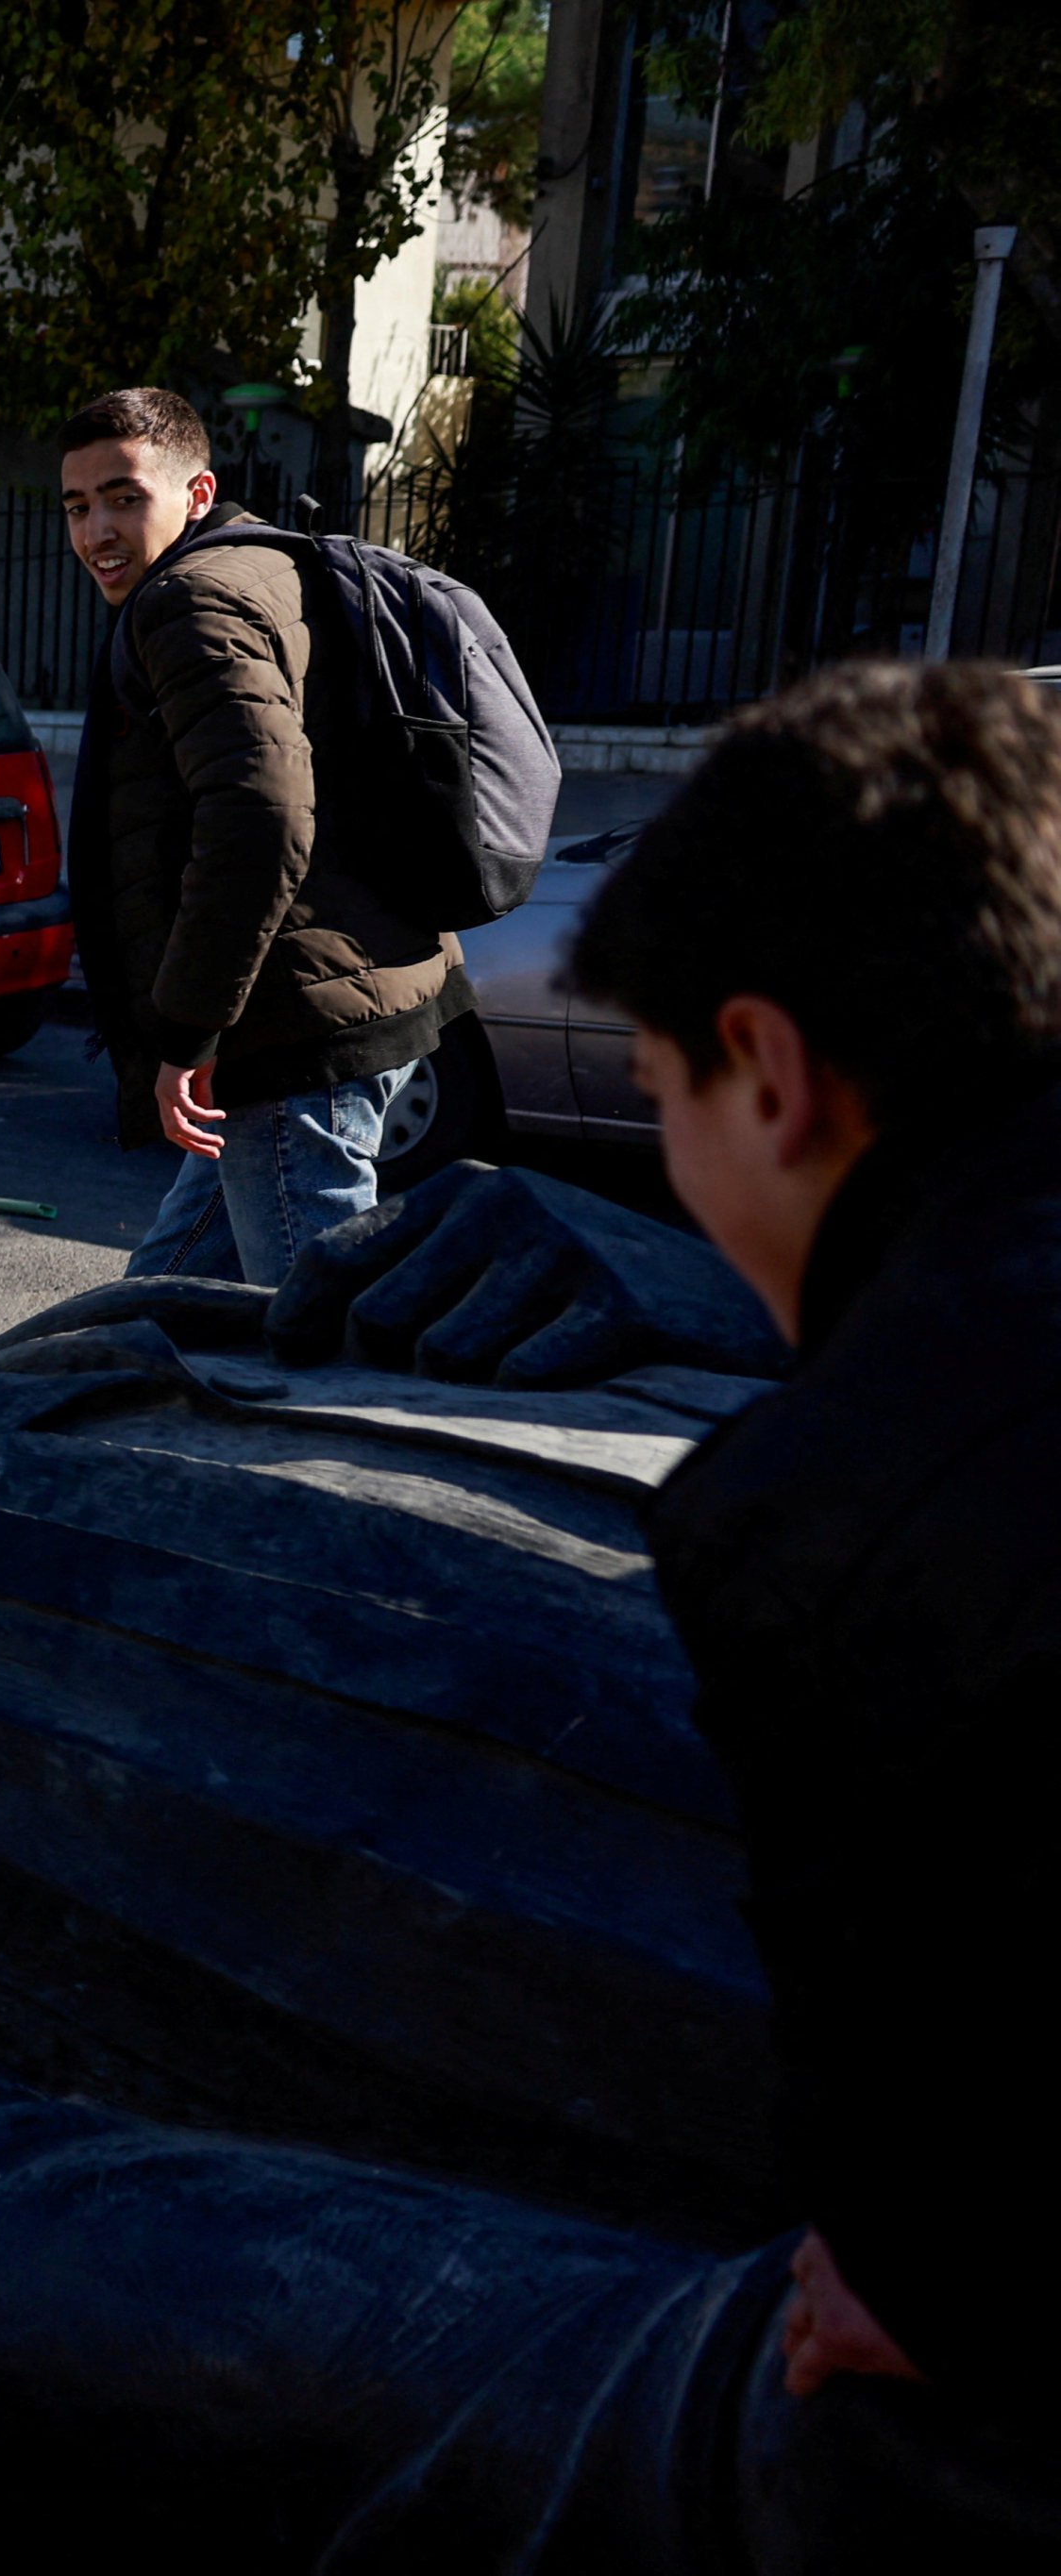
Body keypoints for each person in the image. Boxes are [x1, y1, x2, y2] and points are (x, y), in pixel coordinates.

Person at [568, 658, 1061, 2452]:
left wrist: (922, 2290)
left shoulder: (826, 1524)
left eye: (656, 1093)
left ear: (767, 1072)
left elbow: (916, 2189)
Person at [57, 385, 463, 1287]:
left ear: (195, 494)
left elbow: (259, 817)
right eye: (77, 506)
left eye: (125, 496)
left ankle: (345, 1435)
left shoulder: (187, 604)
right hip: (355, 981)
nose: (96, 533)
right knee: (161, 1304)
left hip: (287, 1030)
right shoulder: (269, 564)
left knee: (310, 1328)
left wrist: (186, 1033)